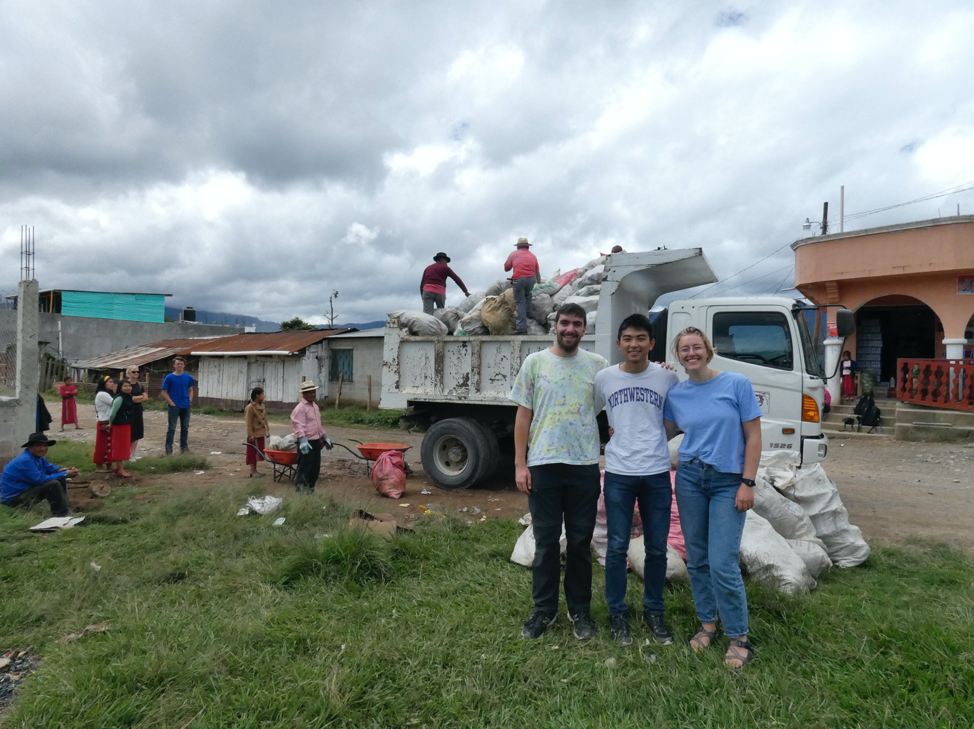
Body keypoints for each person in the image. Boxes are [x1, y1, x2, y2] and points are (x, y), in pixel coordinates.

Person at [663, 327, 762, 669]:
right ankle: (707, 622)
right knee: (698, 558)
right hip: (690, 477)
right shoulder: (677, 394)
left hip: (727, 482)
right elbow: (662, 431)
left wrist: (747, 482)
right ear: (678, 356)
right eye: (684, 349)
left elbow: (753, 436)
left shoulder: (736, 383)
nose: (691, 353)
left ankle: (738, 635)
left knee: (723, 561)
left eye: (696, 347)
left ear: (708, 349)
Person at [510, 303, 608, 640]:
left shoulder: (598, 366)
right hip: (543, 466)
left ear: (584, 329)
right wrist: (520, 464)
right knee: (547, 542)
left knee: (580, 543)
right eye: (564, 323)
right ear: (555, 326)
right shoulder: (535, 363)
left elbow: (622, 387)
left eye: (577, 324)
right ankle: (544, 610)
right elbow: (523, 417)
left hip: (583, 466)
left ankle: (579, 611)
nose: (570, 329)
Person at [593, 314, 679, 646]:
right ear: (618, 343)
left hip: (657, 472)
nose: (634, 344)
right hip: (618, 473)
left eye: (641, 338)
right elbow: (592, 412)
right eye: (627, 338)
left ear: (651, 343)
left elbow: (672, 421)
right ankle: (617, 613)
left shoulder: (666, 378)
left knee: (656, 548)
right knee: (616, 547)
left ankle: (654, 612)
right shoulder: (605, 378)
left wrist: (655, 440)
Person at [1, 433, 78, 517]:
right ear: (30, 446)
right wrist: (65, 474)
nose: (43, 449)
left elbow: (50, 468)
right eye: (39, 446)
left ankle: (65, 509)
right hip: (13, 498)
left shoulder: (37, 457)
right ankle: (60, 515)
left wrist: (63, 470)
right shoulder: (25, 460)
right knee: (53, 484)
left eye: (45, 446)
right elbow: (39, 479)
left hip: (24, 491)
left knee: (60, 478)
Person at [290, 380, 333, 492]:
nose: (313, 394)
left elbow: (318, 425)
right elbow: (299, 426)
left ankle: (310, 490)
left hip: (316, 442)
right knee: (305, 469)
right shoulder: (300, 408)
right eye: (310, 392)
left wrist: (324, 437)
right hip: (307, 443)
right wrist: (303, 440)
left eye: (314, 391)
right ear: (304, 394)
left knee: (314, 469)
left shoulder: (314, 406)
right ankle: (300, 492)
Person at [504, 237, 541, 335]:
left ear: (518, 247)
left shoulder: (513, 254)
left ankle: (521, 328)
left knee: (520, 301)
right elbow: (537, 271)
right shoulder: (533, 256)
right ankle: (528, 312)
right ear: (528, 247)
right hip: (531, 279)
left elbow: (506, 268)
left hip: (519, 279)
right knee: (527, 294)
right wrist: (539, 282)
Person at [161, 356, 196, 455]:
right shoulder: (169, 377)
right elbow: (164, 392)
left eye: (181, 364)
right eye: (177, 364)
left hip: (185, 405)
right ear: (174, 365)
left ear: (184, 365)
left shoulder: (188, 377)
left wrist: (189, 400)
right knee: (171, 428)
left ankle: (184, 448)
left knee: (185, 427)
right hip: (174, 405)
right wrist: (171, 403)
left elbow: (190, 389)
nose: (179, 365)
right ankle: (168, 449)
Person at [108, 380, 134, 477]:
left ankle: (119, 468)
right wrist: (110, 424)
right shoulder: (119, 398)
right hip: (119, 426)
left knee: (123, 447)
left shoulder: (129, 397)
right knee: (119, 447)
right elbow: (112, 414)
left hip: (126, 425)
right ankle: (121, 470)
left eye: (129, 386)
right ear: (120, 388)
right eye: (125, 386)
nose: (128, 388)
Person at [92, 376, 116, 473]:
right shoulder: (102, 394)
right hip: (103, 421)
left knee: (109, 444)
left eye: (112, 382)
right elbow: (115, 403)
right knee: (102, 445)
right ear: (104, 384)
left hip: (107, 420)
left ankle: (109, 464)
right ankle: (99, 466)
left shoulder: (106, 394)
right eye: (110, 382)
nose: (112, 384)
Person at [122, 367, 147, 459]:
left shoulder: (139, 384)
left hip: (138, 410)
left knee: (137, 432)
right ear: (129, 373)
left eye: (137, 371)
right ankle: (126, 453)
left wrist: (136, 398)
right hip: (128, 410)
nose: (136, 373)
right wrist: (138, 397)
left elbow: (145, 397)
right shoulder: (125, 384)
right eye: (134, 371)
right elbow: (128, 397)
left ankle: (132, 454)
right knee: (129, 432)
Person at [245, 387, 270, 478]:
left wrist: (267, 430)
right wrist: (250, 434)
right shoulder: (250, 408)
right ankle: (253, 471)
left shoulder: (262, 406)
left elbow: (265, 419)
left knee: (258, 453)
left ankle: (255, 471)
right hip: (254, 434)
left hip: (260, 433)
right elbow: (248, 422)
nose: (264, 396)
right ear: (257, 395)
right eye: (262, 394)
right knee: (252, 453)